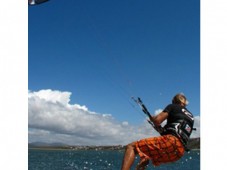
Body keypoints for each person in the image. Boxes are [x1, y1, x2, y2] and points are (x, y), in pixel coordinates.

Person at [121, 93, 194, 170]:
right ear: (185, 103)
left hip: (171, 142)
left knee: (131, 147)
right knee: (146, 155)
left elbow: (157, 120)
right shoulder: (191, 116)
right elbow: (176, 132)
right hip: (179, 152)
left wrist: (154, 119)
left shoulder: (173, 106)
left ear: (174, 101)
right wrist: (159, 128)